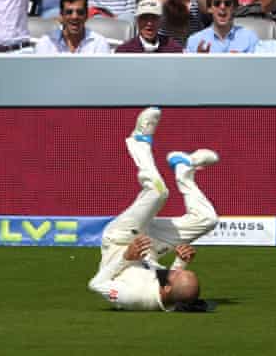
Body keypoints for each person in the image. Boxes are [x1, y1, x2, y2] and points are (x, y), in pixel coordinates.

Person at [88, 107, 219, 312]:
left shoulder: (132, 297)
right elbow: (172, 289)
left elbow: (96, 284)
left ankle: (139, 141)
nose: (174, 270)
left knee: (158, 192)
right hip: (148, 248)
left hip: (120, 240)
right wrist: (181, 262)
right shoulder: (168, 294)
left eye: (176, 273)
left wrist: (126, 257)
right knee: (207, 220)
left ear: (166, 289)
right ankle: (184, 170)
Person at [186, 0, 258, 53]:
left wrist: (242, 60)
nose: (222, 7)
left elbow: (259, 62)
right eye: (217, 3)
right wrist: (199, 59)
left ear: (234, 8)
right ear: (209, 8)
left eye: (227, 3)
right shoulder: (194, 41)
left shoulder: (250, 38)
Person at [35, 0, 111, 53]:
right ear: (61, 16)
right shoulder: (46, 43)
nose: (74, 17)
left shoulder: (99, 43)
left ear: (86, 16)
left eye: (80, 12)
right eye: (69, 12)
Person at [115, 0, 185, 53]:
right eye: (144, 18)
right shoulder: (124, 51)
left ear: (161, 20)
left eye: (154, 18)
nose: (149, 23)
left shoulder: (174, 49)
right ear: (137, 21)